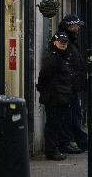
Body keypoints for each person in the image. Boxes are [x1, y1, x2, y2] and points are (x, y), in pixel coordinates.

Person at [37, 31, 79, 160]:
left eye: (65, 42)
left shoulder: (61, 55)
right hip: (54, 97)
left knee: (57, 124)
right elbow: (44, 77)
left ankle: (54, 149)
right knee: (53, 125)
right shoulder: (52, 57)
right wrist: (45, 90)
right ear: (54, 42)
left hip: (61, 96)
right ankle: (51, 151)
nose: (63, 44)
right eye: (60, 42)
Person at [57, 14, 89, 153]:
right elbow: (61, 62)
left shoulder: (71, 39)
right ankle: (66, 143)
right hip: (67, 85)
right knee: (67, 116)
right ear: (70, 25)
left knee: (75, 114)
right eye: (76, 25)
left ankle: (81, 140)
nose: (77, 28)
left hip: (72, 85)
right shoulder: (62, 39)